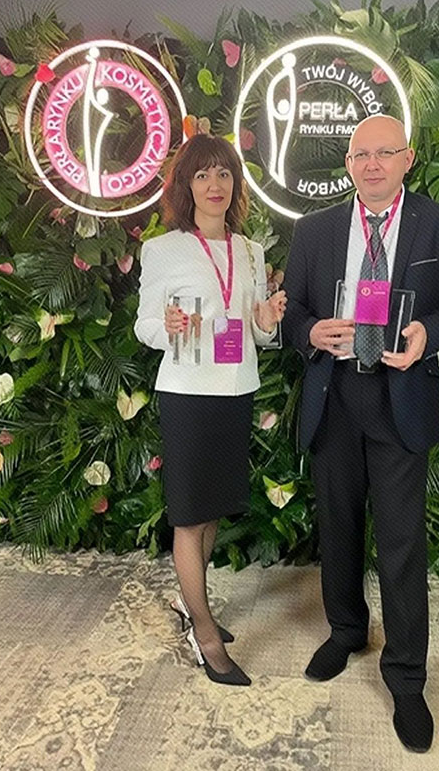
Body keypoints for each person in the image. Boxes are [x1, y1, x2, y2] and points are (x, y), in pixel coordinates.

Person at [282, 115, 439, 752]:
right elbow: (294, 313)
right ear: (347, 164)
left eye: (384, 153)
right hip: (336, 395)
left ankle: (407, 678)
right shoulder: (313, 230)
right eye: (360, 154)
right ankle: (345, 631)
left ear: (406, 159)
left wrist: (428, 334)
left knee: (400, 543)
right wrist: (309, 332)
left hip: (400, 396)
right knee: (338, 526)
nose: (372, 164)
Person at [135, 134, 286, 687]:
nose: (214, 184)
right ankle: (204, 633)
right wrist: (168, 327)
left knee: (213, 508)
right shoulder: (163, 250)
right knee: (189, 515)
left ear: (235, 184)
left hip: (235, 390)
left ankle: (189, 603)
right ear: (186, 185)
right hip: (187, 394)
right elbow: (145, 325)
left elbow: (256, 332)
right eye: (202, 174)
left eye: (224, 173)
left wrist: (266, 320)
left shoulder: (249, 251)